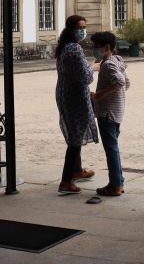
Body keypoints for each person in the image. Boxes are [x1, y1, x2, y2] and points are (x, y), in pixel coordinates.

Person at [54, 14, 98, 195]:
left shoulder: (66, 46)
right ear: (71, 29)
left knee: (76, 132)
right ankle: (66, 181)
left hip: (66, 92)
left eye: (84, 27)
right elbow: (85, 77)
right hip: (73, 96)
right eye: (80, 27)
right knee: (75, 136)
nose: (83, 31)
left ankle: (77, 170)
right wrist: (93, 67)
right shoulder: (74, 49)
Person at [90, 31, 130, 196]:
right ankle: (118, 181)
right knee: (114, 148)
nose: (94, 49)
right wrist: (117, 97)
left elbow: (121, 82)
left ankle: (114, 185)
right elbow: (127, 83)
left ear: (106, 47)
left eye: (96, 46)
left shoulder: (108, 65)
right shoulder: (117, 60)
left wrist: (100, 95)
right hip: (117, 111)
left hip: (107, 113)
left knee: (111, 149)